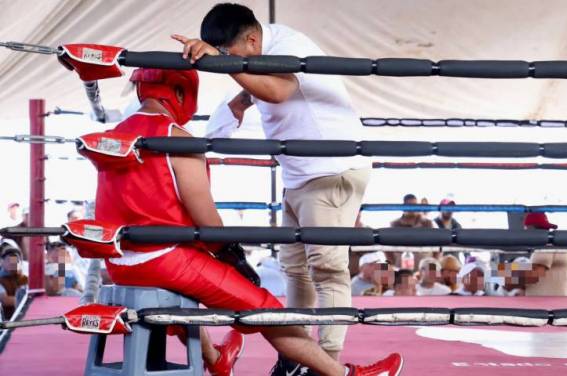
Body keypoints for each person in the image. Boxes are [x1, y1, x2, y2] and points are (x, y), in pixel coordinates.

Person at [94, 67, 399, 376]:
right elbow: (209, 226)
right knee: (268, 310)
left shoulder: (109, 138)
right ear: (182, 92)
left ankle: (215, 359)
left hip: (119, 262)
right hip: (165, 260)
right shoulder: (179, 142)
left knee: (180, 295)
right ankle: (342, 375)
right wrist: (231, 256)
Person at [173, 5, 382, 369]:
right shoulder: (259, 50)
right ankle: (300, 355)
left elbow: (279, 90)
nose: (223, 63)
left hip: (332, 169)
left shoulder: (290, 45)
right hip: (300, 172)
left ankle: (327, 362)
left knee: (327, 266)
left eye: (226, 56)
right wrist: (239, 102)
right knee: (294, 267)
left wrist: (233, 72)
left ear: (252, 40)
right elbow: (260, 84)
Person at [523, 213, 567, 297]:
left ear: (529, 229)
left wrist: (501, 274)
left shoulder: (546, 246)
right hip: (561, 303)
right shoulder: (563, 245)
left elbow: (533, 275)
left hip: (549, 304)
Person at [0, 243, 28, 318]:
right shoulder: (1, 280)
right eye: (9, 259)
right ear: (2, 262)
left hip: (24, 317)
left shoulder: (24, 279)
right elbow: (5, 300)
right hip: (7, 320)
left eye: (15, 259)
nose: (12, 262)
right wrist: (24, 300)